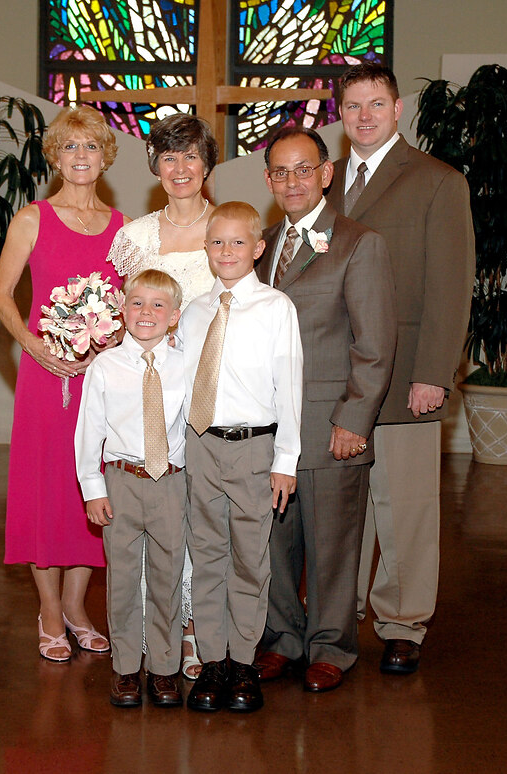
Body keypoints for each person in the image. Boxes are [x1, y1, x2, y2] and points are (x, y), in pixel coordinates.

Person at [326, 63, 475, 675]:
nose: (364, 116)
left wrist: (434, 371)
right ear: (340, 114)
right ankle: (341, 612)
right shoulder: (324, 181)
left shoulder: (438, 181)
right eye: (353, 106)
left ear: (398, 109)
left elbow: (450, 285)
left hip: (407, 370)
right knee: (343, 505)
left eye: (376, 104)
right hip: (337, 375)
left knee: (404, 504)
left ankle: (404, 621)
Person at [253, 126, 396, 693]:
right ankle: (281, 640)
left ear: (326, 174)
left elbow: (375, 343)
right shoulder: (260, 244)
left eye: (303, 169)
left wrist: (353, 420)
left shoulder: (359, 243)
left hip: (328, 423)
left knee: (332, 546)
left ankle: (331, 646)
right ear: (268, 180)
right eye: (280, 172)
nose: (292, 181)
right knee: (273, 542)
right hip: (267, 428)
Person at [0, 106, 126, 662]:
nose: (80, 156)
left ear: (105, 156)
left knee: (91, 488)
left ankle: (76, 606)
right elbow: (2, 294)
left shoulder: (122, 227)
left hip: (101, 378)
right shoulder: (32, 218)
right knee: (47, 487)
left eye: (90, 146)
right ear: (55, 156)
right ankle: (49, 610)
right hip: (46, 377)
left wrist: (111, 342)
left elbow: (130, 301)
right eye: (69, 147)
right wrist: (33, 344)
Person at [106, 112, 220, 679]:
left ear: (208, 164)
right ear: (154, 165)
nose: (180, 168)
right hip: (153, 398)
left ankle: (198, 628)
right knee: (154, 515)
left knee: (201, 516)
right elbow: (120, 316)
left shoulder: (227, 230)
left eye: (191, 156)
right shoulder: (134, 239)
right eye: (169, 157)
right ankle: (156, 632)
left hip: (215, 395)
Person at [180, 201, 303, 712]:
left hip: (254, 448)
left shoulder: (275, 308)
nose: (226, 251)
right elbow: (182, 386)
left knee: (250, 558)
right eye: (217, 242)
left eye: (237, 242)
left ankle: (244, 662)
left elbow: (289, 387)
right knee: (207, 555)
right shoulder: (193, 311)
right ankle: (213, 661)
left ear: (258, 248)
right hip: (200, 445)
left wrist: (286, 459)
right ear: (205, 248)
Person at [75, 269, 188, 708]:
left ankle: (163, 669)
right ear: (122, 309)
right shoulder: (105, 367)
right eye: (137, 303)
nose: (147, 312)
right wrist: (92, 487)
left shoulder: (185, 365)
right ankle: (125, 668)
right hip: (121, 481)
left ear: (174, 316)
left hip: (170, 484)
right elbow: (89, 430)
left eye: (159, 305)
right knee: (122, 579)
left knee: (167, 577)